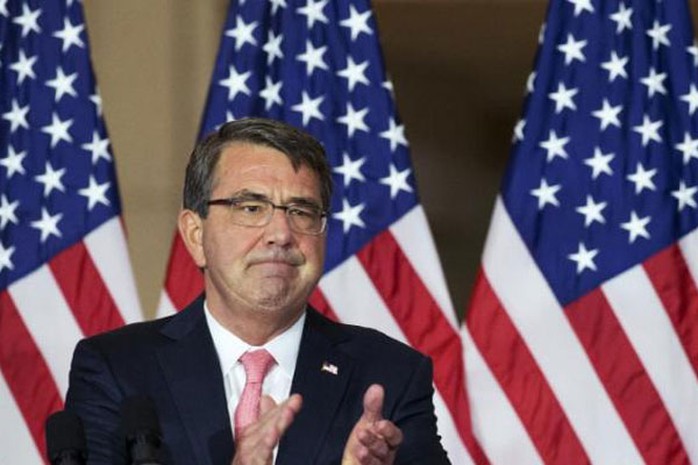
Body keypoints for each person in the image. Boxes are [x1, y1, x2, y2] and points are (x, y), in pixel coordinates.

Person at [65, 118, 451, 465]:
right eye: (251, 208)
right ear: (195, 235)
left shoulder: (390, 374)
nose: (281, 234)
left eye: (301, 211)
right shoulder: (117, 368)